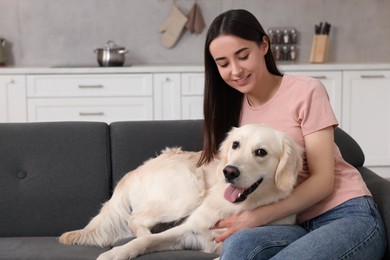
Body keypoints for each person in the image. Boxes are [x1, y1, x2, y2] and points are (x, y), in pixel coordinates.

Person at [199, 9, 387, 259]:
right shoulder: (236, 111)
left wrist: (255, 217)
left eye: (243, 56)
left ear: (264, 45)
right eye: (223, 64)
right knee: (239, 246)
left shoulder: (306, 91)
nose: (235, 70)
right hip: (294, 225)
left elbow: (323, 181)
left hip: (346, 215)